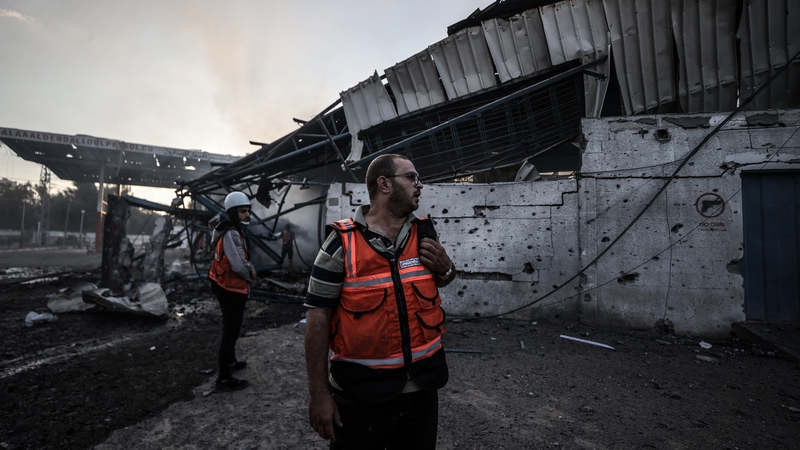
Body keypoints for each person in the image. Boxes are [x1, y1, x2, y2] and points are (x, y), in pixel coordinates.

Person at [304, 154, 456, 449]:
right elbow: (317, 317)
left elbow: (443, 279)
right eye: (411, 177)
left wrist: (447, 267)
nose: (419, 184)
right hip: (361, 395)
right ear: (384, 184)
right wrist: (319, 394)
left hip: (423, 390)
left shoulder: (424, 232)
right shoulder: (340, 243)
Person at [208, 191, 258, 392]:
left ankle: (231, 361)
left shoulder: (226, 228)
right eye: (243, 211)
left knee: (231, 328)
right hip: (230, 287)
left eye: (247, 211)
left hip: (221, 284)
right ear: (233, 213)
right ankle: (224, 378)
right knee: (231, 331)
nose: (247, 215)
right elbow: (238, 264)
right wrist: (251, 276)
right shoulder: (231, 233)